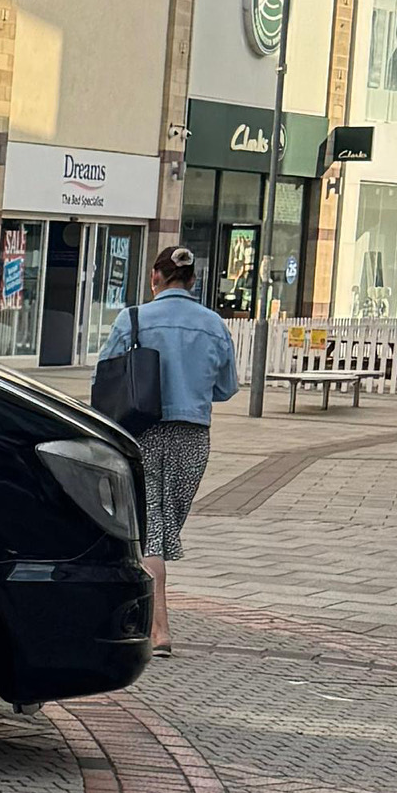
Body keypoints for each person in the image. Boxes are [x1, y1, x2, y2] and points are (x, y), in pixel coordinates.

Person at [96, 240, 239, 655]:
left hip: (143, 431)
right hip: (193, 437)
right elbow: (226, 387)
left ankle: (155, 627)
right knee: (162, 527)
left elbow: (102, 376)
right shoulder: (213, 323)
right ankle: (159, 627)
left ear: (155, 278)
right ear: (193, 281)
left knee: (149, 531)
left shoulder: (133, 318)